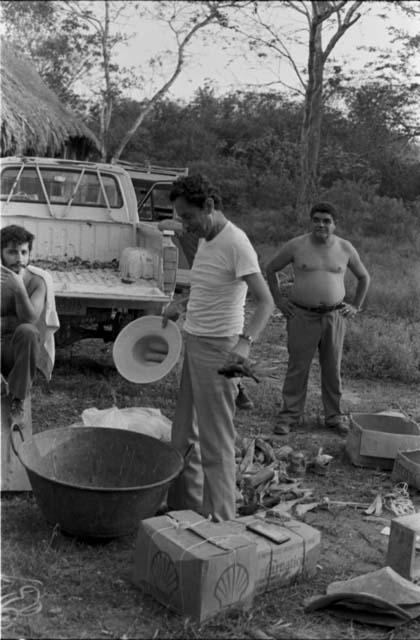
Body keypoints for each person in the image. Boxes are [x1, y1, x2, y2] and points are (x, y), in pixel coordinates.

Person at [162, 173, 274, 521]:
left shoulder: (236, 243)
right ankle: (186, 506)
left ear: (209, 206)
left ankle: (221, 520)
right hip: (194, 341)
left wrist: (244, 344)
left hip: (219, 349)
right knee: (182, 433)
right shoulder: (207, 238)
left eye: (189, 216)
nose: (184, 224)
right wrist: (183, 301)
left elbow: (266, 301)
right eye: (180, 216)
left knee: (216, 441)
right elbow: (210, 285)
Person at [265, 202, 370, 436]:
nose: (321, 224)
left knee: (332, 368)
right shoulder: (296, 245)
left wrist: (355, 306)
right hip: (301, 314)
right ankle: (290, 416)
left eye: (326, 221)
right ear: (311, 221)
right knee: (297, 367)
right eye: (317, 220)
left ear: (334, 224)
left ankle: (334, 416)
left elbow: (364, 277)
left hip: (334, 316)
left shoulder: (345, 248)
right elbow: (270, 269)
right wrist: (279, 302)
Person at [1, 224, 59, 424]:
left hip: (16, 352)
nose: (19, 258)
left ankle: (18, 399)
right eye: (12, 252)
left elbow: (29, 319)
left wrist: (19, 289)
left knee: (28, 332)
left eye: (24, 252)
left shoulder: (36, 282)